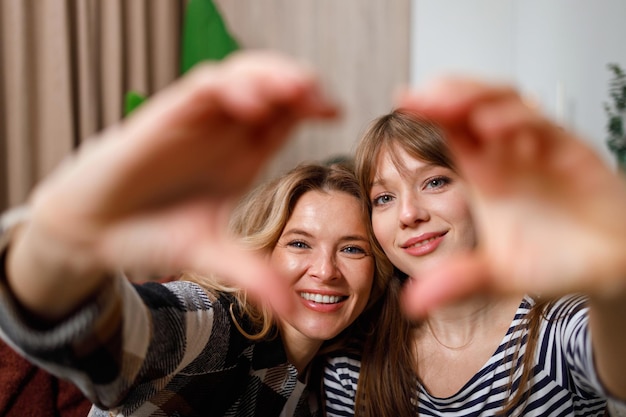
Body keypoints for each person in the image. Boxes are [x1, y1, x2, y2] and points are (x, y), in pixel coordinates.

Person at [0, 50, 393, 416]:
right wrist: (63, 235)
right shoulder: (218, 327)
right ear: (264, 251)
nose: (325, 270)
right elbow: (93, 329)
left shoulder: (326, 381)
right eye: (299, 243)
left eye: (352, 250)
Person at [324, 79, 626, 416]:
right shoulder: (351, 365)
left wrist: (612, 278)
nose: (409, 214)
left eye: (435, 182)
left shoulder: (556, 325)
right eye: (384, 198)